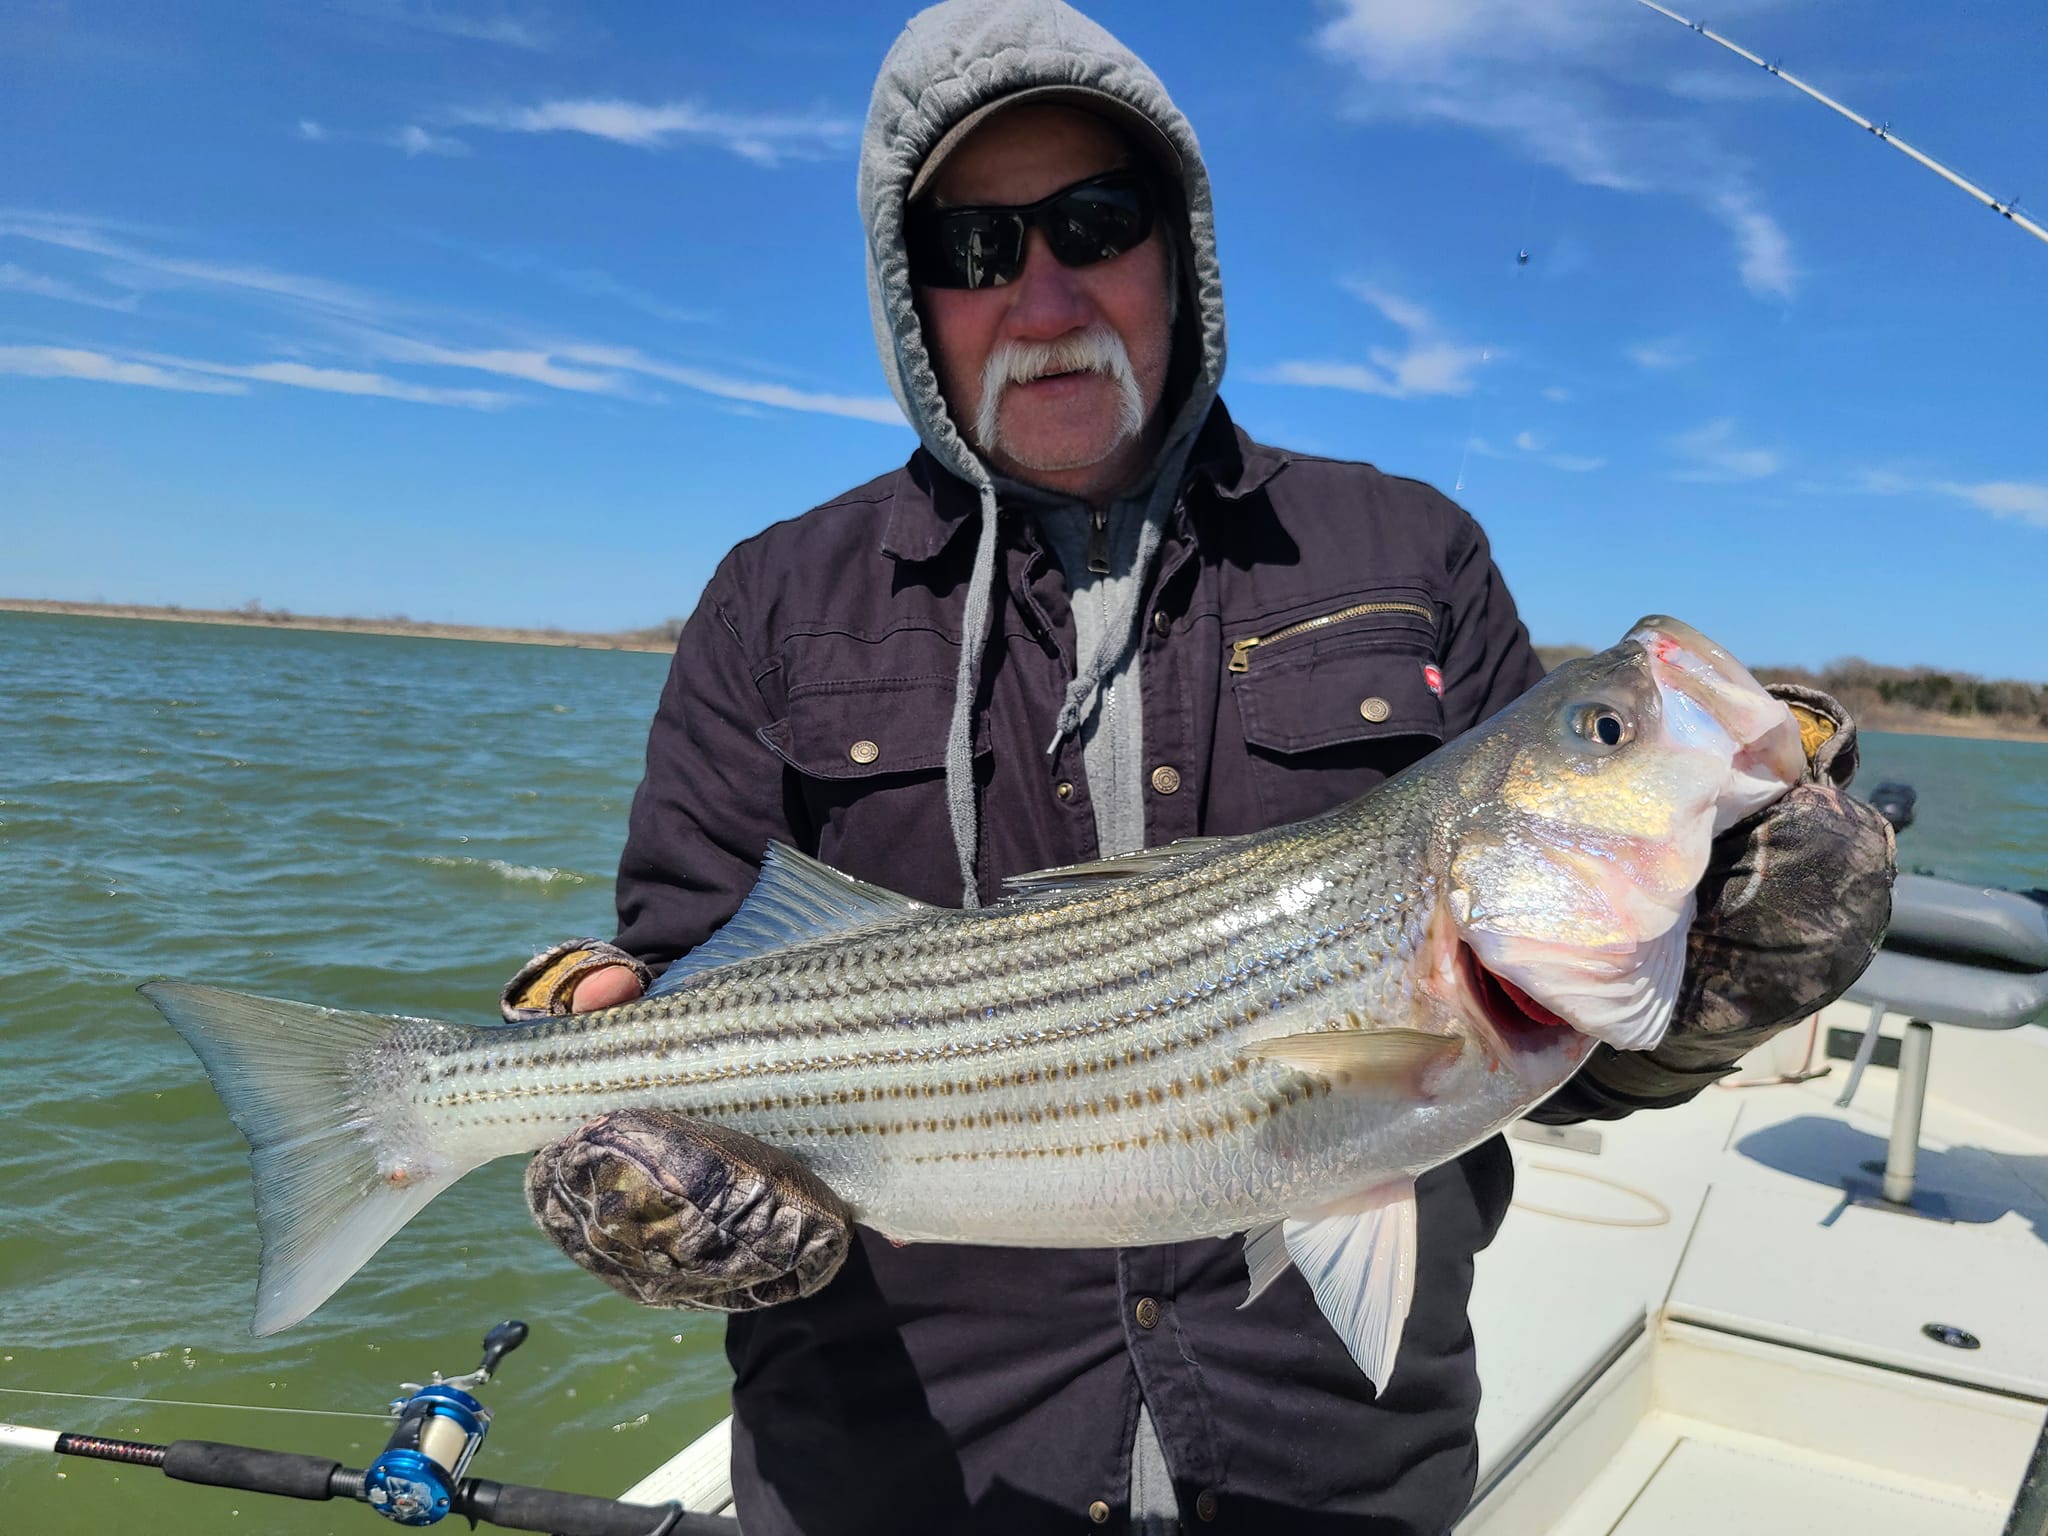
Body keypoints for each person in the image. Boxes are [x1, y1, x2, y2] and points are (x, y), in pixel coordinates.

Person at [502, 2, 1894, 1531]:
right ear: (916, 302)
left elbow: (1568, 1051)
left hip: (1334, 1466)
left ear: (1178, 248)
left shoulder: (1407, 550)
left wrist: (1710, 992)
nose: (1041, 293)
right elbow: (680, 963)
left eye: (1094, 222)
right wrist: (630, 1145)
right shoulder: (777, 597)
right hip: (900, 1470)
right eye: (973, 249)